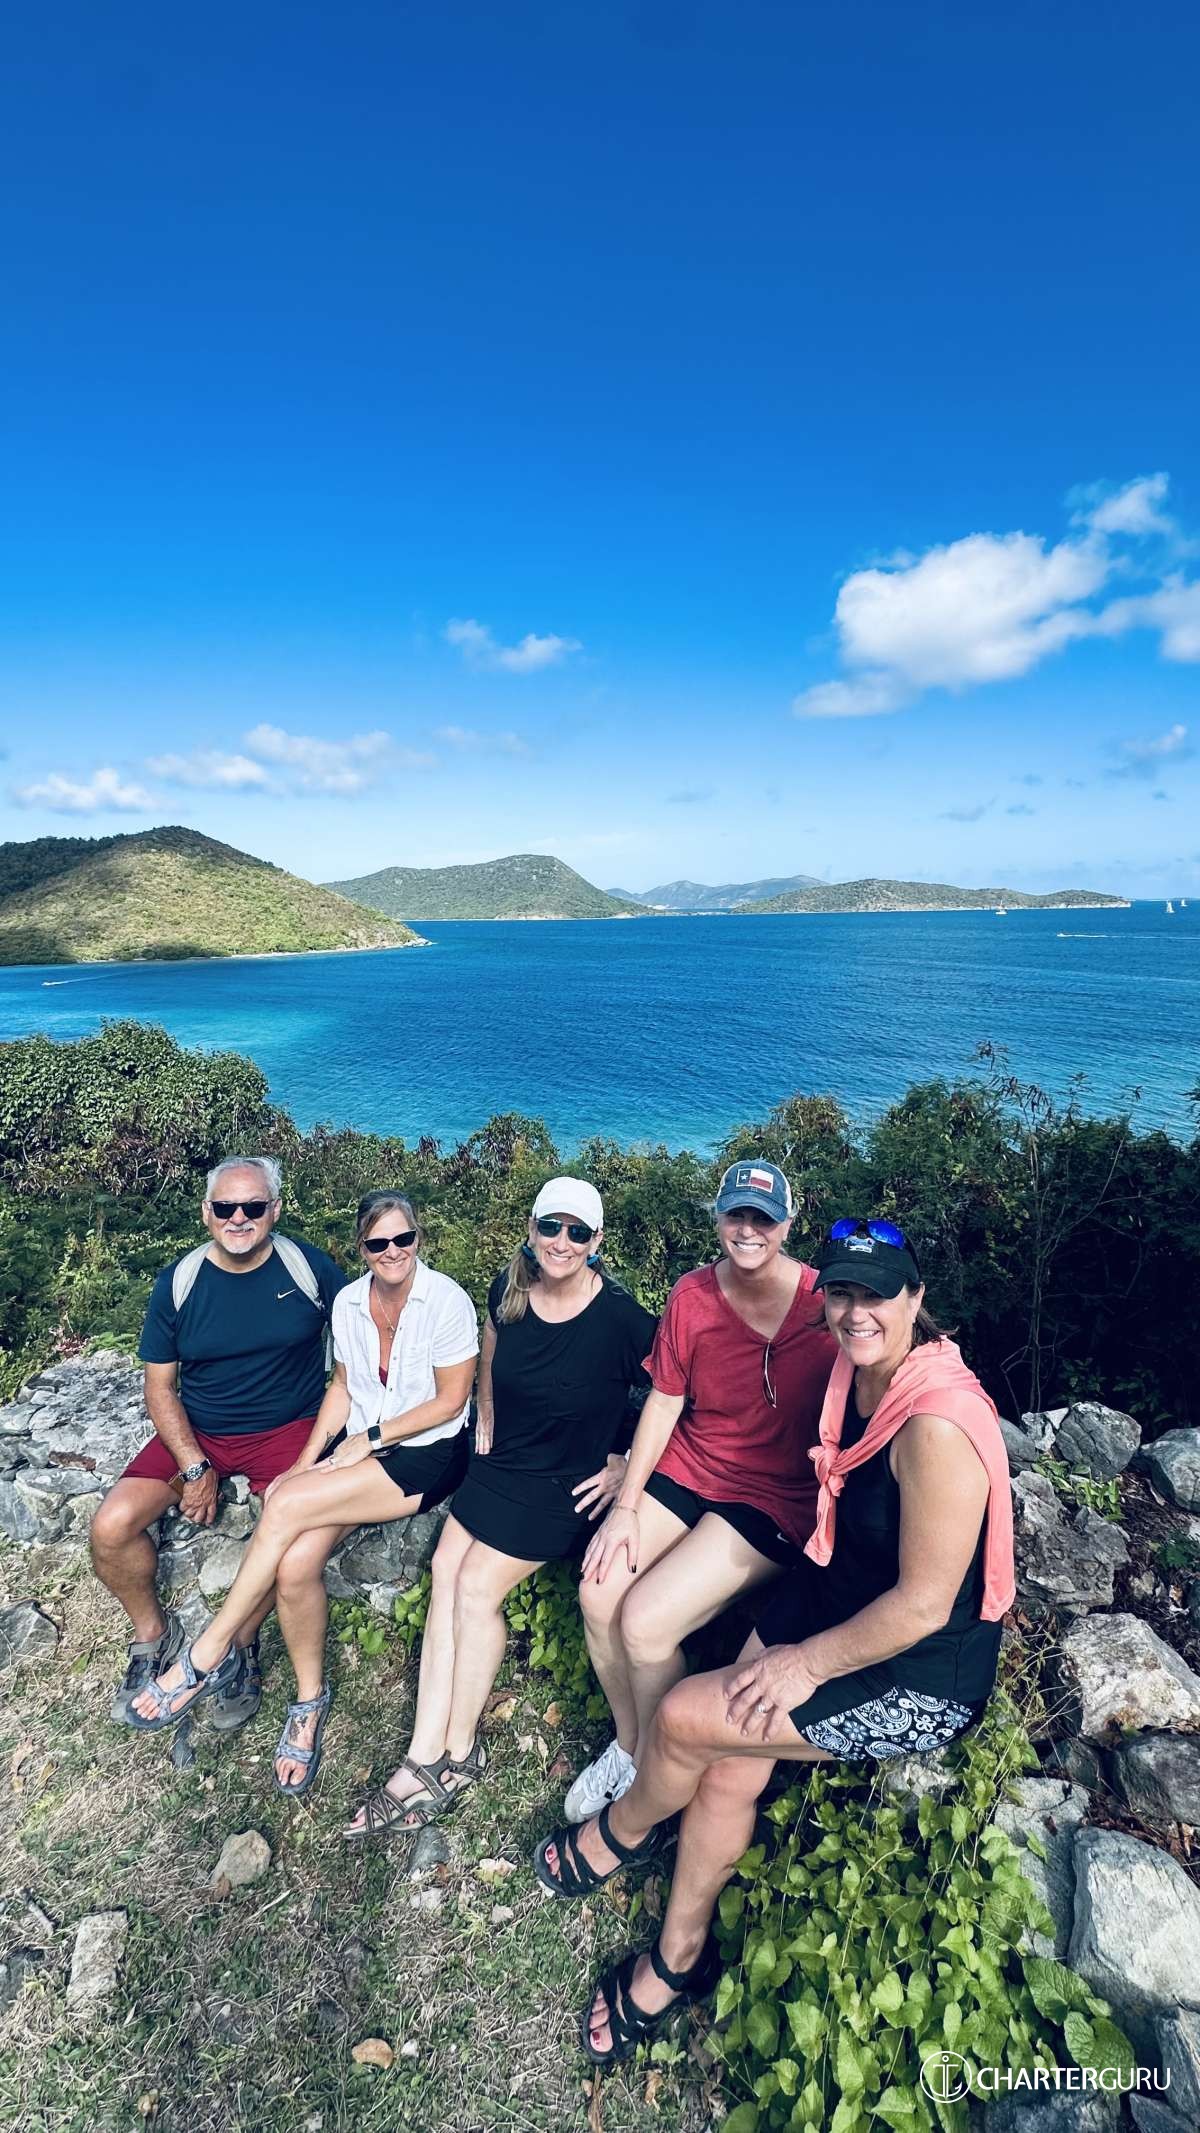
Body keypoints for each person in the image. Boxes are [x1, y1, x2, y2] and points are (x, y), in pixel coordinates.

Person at [533, 1217, 1015, 2068]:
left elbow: (924, 1606)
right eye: (842, 1292)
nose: (856, 1311)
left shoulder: (936, 1423)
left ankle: (627, 1829)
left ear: (916, 1299)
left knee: (684, 1717)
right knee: (727, 1759)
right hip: (835, 1592)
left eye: (877, 1294)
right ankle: (681, 1955)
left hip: (917, 1669)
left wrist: (803, 1663)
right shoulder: (854, 1371)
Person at [128, 1192, 478, 1796]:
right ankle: (309, 1701)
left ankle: (208, 1652)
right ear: (361, 1248)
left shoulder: (447, 1300)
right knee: (294, 1564)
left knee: (284, 1504)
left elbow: (451, 1401)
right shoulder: (348, 1302)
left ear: (418, 1239)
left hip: (426, 1455)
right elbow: (342, 1387)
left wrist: (368, 1440)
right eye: (378, 1243)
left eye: (403, 1239)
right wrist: (305, 1463)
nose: (393, 1252)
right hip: (362, 1447)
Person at [342, 1176, 658, 1838]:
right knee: (445, 1571)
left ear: (596, 1240)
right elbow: (491, 1341)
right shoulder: (511, 1288)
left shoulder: (621, 1319)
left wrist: (626, 1464)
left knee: (477, 1587)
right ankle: (423, 1748)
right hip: (503, 1461)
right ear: (532, 1229)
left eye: (577, 1231)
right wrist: (485, 1404)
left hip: (564, 1483)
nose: (562, 1241)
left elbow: (680, 1393)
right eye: (551, 1226)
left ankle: (457, 1755)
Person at [562, 1159, 835, 1824]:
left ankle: (664, 1770)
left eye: (763, 1218)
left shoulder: (824, 1305)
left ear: (787, 1226)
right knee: (598, 1590)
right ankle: (635, 1748)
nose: (748, 1229)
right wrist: (627, 1505)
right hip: (694, 1463)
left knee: (645, 1621)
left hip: (774, 1497)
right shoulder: (692, 1296)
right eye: (736, 1214)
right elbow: (664, 1400)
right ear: (718, 1218)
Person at [90, 1156, 347, 1728]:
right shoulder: (180, 1283)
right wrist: (193, 1465)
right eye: (226, 1206)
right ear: (207, 1212)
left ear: (274, 1211)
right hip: (200, 1428)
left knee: (285, 1539)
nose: (238, 1218)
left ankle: (238, 1646)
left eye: (252, 1206)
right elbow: (160, 1388)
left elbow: (366, 1331)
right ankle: (153, 1633)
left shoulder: (308, 1269)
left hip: (290, 1428)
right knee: (111, 1526)